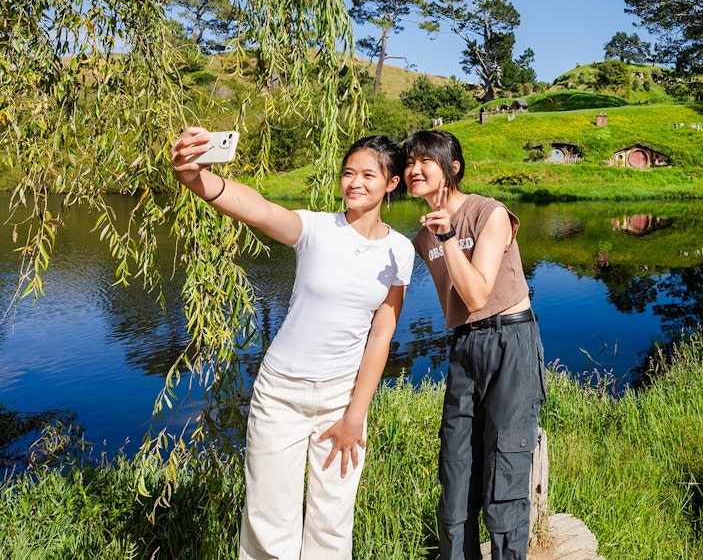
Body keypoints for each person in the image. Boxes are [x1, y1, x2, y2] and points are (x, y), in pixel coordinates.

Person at [170, 127, 414, 559]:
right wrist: (195, 178)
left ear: (392, 183)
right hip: (281, 393)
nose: (354, 183)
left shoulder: (400, 250)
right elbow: (258, 209)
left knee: (332, 522)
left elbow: (382, 334)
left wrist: (355, 415)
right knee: (270, 520)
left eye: (368, 175)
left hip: (342, 395)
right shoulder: (316, 229)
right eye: (348, 173)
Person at [403, 129, 545, 560]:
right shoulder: (422, 237)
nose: (414, 170)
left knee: (505, 469)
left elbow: (477, 294)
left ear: (453, 168)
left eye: (425, 161)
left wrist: (448, 238)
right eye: (408, 163)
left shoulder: (489, 213)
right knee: (456, 470)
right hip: (465, 346)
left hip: (509, 340)